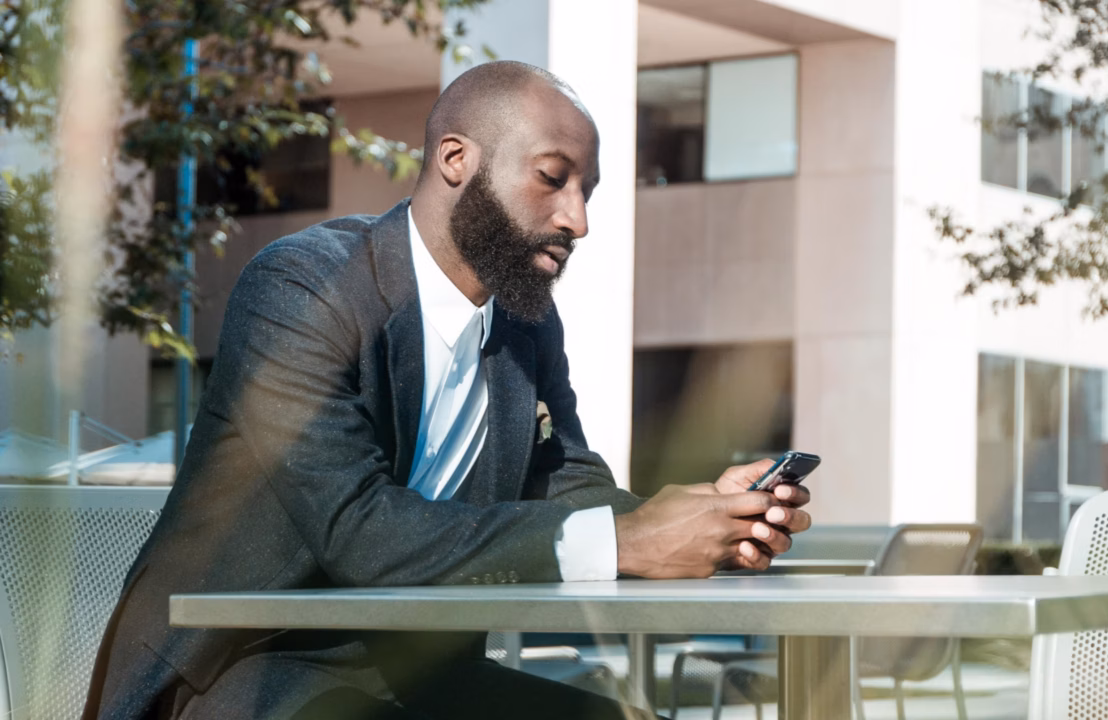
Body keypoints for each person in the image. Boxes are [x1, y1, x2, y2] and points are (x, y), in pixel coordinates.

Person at [82, 61, 811, 720]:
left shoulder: (526, 321)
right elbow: (360, 533)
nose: (577, 219)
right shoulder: (305, 288)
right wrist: (630, 540)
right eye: (553, 178)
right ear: (456, 159)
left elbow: (568, 494)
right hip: (244, 668)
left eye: (587, 190)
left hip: (415, 671)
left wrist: (704, 521)